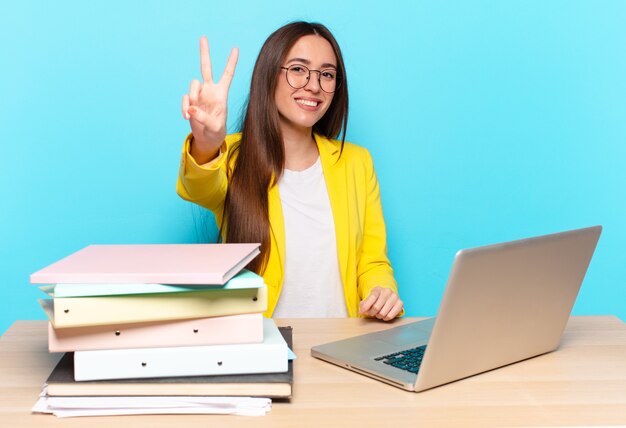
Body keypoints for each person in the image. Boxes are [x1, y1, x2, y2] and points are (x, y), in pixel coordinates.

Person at [177, 21, 403, 320]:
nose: (313, 85)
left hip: (341, 348)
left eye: (327, 74)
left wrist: (381, 292)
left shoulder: (357, 162)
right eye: (298, 69)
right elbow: (198, 188)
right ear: (270, 75)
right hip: (260, 348)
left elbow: (373, 262)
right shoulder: (231, 157)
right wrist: (206, 144)